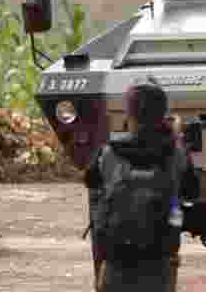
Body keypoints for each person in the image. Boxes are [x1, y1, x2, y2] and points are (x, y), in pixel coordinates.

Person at [85, 82, 198, 292]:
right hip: (160, 257)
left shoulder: (108, 152)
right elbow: (192, 191)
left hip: (116, 256)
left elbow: (91, 182)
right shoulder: (176, 153)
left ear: (130, 115)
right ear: (163, 114)